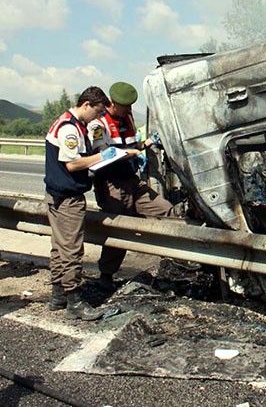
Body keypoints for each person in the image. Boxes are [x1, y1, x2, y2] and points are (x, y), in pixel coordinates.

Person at [88, 82, 173, 290]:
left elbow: (133, 143)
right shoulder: (98, 124)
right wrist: (129, 153)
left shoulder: (127, 118)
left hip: (132, 179)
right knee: (118, 228)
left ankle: (177, 257)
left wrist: (145, 145)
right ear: (113, 103)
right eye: (126, 106)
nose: (129, 110)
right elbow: (103, 152)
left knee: (164, 210)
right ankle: (106, 275)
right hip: (111, 184)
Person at [45, 86, 112, 320]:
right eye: (97, 112)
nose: (98, 117)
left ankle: (58, 296)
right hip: (67, 198)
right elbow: (72, 164)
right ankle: (74, 301)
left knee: (59, 247)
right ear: (86, 105)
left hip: (56, 194)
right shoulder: (69, 128)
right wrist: (103, 157)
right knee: (72, 249)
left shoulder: (70, 123)